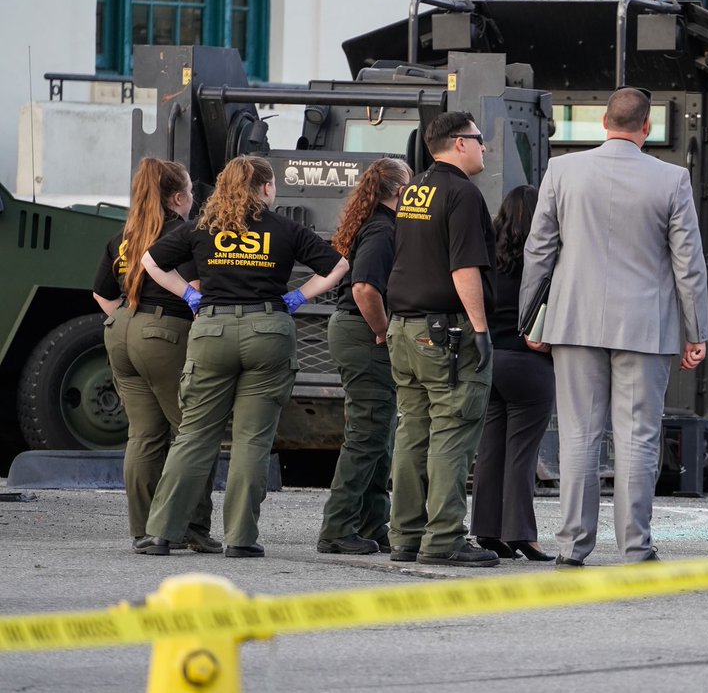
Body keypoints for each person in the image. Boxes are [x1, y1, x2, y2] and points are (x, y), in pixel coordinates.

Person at [521, 86, 708, 566]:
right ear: (646, 127)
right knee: (638, 435)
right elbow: (688, 263)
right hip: (646, 327)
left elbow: (539, 248)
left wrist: (529, 316)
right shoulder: (672, 179)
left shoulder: (563, 170)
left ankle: (571, 547)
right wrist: (696, 331)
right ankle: (635, 547)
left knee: (579, 434)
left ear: (604, 123)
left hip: (573, 320)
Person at [133, 156, 348, 557]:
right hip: (268, 330)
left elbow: (149, 262)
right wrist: (300, 296)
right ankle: (241, 539)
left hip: (211, 331)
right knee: (252, 441)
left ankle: (161, 533)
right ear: (266, 188)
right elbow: (338, 265)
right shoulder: (285, 228)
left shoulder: (203, 227)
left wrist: (190, 294)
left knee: (194, 437)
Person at [386, 112, 499, 568]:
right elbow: (464, 267)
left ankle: (406, 535)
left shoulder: (414, 189)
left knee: (413, 432)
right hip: (446, 332)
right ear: (458, 144)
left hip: (405, 329)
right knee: (452, 430)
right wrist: (480, 328)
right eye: (478, 138)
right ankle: (445, 538)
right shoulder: (463, 195)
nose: (484, 147)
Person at [92, 156, 220, 553]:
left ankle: (144, 531)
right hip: (165, 332)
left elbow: (101, 293)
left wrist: (130, 321)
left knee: (144, 435)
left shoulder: (125, 235)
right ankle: (191, 528)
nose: (193, 200)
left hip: (121, 330)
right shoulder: (183, 233)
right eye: (192, 194)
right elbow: (197, 285)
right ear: (179, 196)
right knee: (194, 432)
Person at [316, 157, 412, 555]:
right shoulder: (382, 230)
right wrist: (382, 329)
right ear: (399, 191)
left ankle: (374, 523)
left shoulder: (373, 224)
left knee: (378, 435)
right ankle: (336, 528)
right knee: (367, 434)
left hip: (353, 331)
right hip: (362, 332)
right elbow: (364, 289)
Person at [470, 185, 555, 562]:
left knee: (490, 450)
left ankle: (487, 530)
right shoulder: (546, 259)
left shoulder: (487, 256)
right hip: (529, 362)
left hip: (489, 360)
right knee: (521, 452)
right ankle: (521, 533)